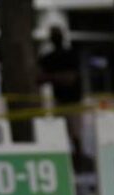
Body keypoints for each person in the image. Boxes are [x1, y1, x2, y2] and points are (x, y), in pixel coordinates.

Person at [38, 26, 84, 161]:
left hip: (74, 100)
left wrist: (53, 77)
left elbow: (71, 78)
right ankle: (66, 157)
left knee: (75, 133)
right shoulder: (48, 57)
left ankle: (78, 157)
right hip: (60, 99)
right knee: (61, 131)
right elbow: (39, 78)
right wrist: (59, 77)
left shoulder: (70, 55)